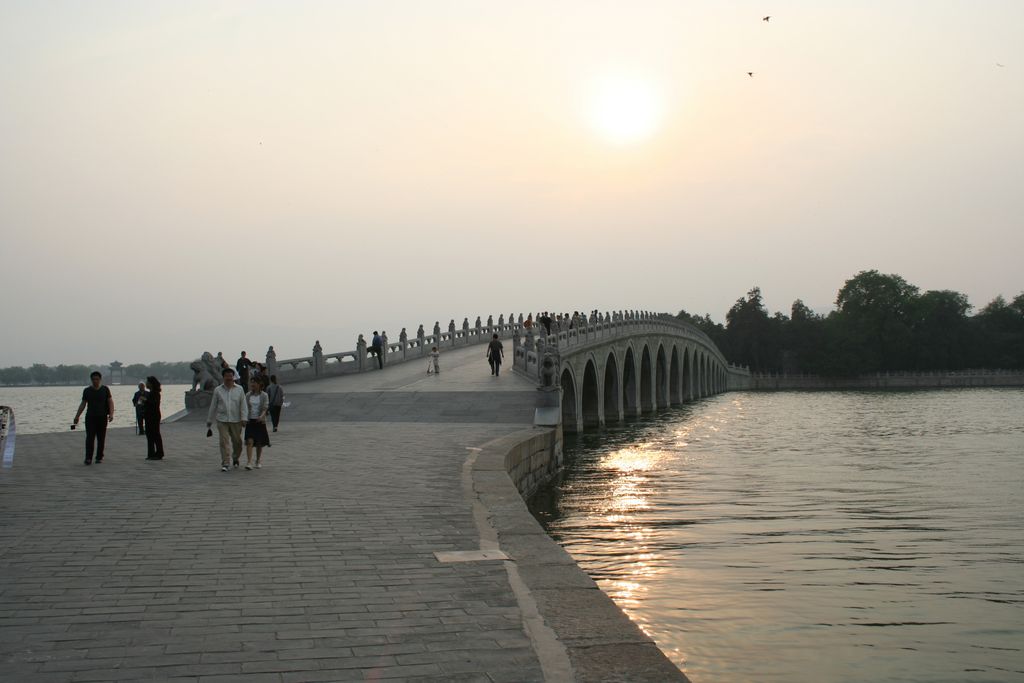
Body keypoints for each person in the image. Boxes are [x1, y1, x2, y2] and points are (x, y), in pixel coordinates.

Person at [206, 367, 247, 472]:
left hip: (236, 419)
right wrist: (209, 420)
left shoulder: (239, 389)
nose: (229, 378)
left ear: (233, 377)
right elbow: (213, 405)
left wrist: (244, 418)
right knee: (224, 442)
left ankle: (235, 457)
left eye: (230, 376)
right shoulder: (218, 390)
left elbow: (243, 405)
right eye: (226, 376)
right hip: (222, 420)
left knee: (237, 442)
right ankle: (225, 462)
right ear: (223, 377)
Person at [72, 371, 114, 465]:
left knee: (101, 438)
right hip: (90, 417)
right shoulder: (87, 390)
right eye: (93, 379)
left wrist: (111, 414)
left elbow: (110, 401)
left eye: (97, 379)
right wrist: (77, 416)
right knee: (89, 438)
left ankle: (99, 457)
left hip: (102, 417)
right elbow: (83, 403)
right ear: (91, 380)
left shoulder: (105, 389)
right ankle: (88, 458)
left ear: (100, 379)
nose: (95, 381)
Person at [243, 378, 270, 470]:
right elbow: (244, 408)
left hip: (260, 421)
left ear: (259, 384)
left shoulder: (264, 395)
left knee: (259, 442)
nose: (252, 384)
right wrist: (244, 419)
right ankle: (249, 462)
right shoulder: (247, 395)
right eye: (251, 383)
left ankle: (258, 460)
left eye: (254, 383)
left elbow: (265, 407)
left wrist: (261, 416)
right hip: (250, 421)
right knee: (249, 441)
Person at [143, 376, 164, 460]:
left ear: (151, 383)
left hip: (154, 416)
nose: (146, 383)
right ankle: (151, 453)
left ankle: (159, 453)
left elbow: (154, 404)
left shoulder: (155, 393)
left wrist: (145, 400)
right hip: (148, 416)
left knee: (155, 434)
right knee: (149, 435)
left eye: (147, 382)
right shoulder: (150, 393)